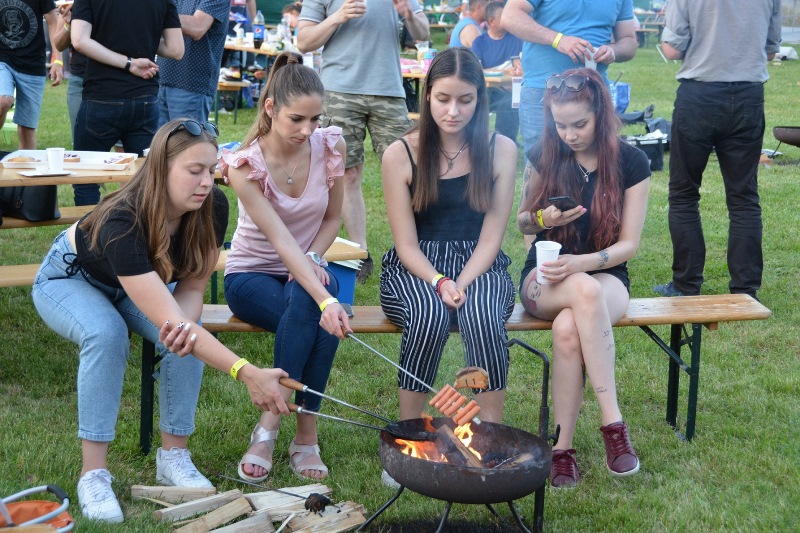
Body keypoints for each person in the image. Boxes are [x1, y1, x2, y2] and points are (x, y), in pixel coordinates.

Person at [31, 119, 291, 523]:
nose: (205, 182)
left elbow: (191, 289)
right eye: (194, 171)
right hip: (71, 278)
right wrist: (247, 372)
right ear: (161, 169)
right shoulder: (123, 219)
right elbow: (171, 315)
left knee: (186, 336)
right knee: (106, 333)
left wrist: (185, 335)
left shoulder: (212, 206)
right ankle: (93, 474)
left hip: (139, 283)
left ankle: (173, 456)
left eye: (210, 170)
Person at [219, 52, 352, 482]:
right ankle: (301, 435)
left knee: (310, 309)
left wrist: (312, 260)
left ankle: (272, 427)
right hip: (250, 275)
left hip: (306, 265)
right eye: (297, 119)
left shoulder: (330, 146)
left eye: (315, 119)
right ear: (271, 108)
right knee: (316, 315)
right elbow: (279, 239)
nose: (307, 130)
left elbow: (332, 218)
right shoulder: (245, 166)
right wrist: (326, 298)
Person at [517, 68, 650, 487]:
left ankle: (561, 450)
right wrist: (544, 219)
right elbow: (521, 222)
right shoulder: (544, 154)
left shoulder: (632, 161)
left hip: (606, 274)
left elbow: (629, 245)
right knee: (582, 295)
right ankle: (614, 426)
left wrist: (582, 263)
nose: (569, 135)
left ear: (601, 115)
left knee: (569, 326)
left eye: (579, 124)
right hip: (544, 278)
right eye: (560, 125)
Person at [380, 47, 517, 428]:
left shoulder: (501, 150)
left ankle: (491, 430)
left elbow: (490, 240)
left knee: (482, 313)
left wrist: (462, 281)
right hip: (416, 267)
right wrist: (440, 281)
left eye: (465, 100)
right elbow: (406, 245)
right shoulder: (400, 154)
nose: (453, 111)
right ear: (427, 95)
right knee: (428, 314)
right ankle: (409, 429)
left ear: (480, 99)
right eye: (443, 99)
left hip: (480, 263)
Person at [652, 0, 781, 301]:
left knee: (684, 194)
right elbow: (770, 51)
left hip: (699, 95)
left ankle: (686, 285)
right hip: (748, 95)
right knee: (744, 197)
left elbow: (671, 50)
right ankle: (746, 290)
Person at [297, 0, 430, 283]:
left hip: (389, 90)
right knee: (347, 173)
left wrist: (408, 13)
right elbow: (304, 41)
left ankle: (420, 248)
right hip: (339, 90)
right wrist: (338, 17)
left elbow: (423, 32)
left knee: (413, 169)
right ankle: (360, 253)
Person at [70, 0, 184, 206]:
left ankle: (87, 228)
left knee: (86, 180)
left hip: (102, 95)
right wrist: (143, 40)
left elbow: (79, 40)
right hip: (144, 99)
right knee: (144, 180)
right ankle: (137, 227)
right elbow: (176, 49)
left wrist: (128, 62)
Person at [501, 0, 638, 152]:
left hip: (594, 91)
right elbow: (510, 16)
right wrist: (558, 40)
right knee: (541, 160)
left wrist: (613, 51)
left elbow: (629, 41)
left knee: (597, 159)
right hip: (543, 90)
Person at [0, 0, 66, 150]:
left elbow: (53, 23)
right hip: (3, 59)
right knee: (3, 100)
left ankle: (25, 164)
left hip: (32, 64)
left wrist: (58, 61)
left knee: (27, 131)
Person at [158, 0, 232, 126]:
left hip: (191, 86)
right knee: (158, 139)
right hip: (160, 79)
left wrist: (154, 14)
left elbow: (197, 27)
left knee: (185, 138)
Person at [470, 1, 523, 143]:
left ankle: (506, 141)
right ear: (491, 22)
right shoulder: (479, 42)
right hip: (488, 89)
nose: (508, 19)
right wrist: (501, 71)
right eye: (503, 16)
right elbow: (475, 69)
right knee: (480, 98)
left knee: (509, 100)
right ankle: (477, 140)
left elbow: (524, 63)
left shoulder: (518, 38)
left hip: (511, 87)